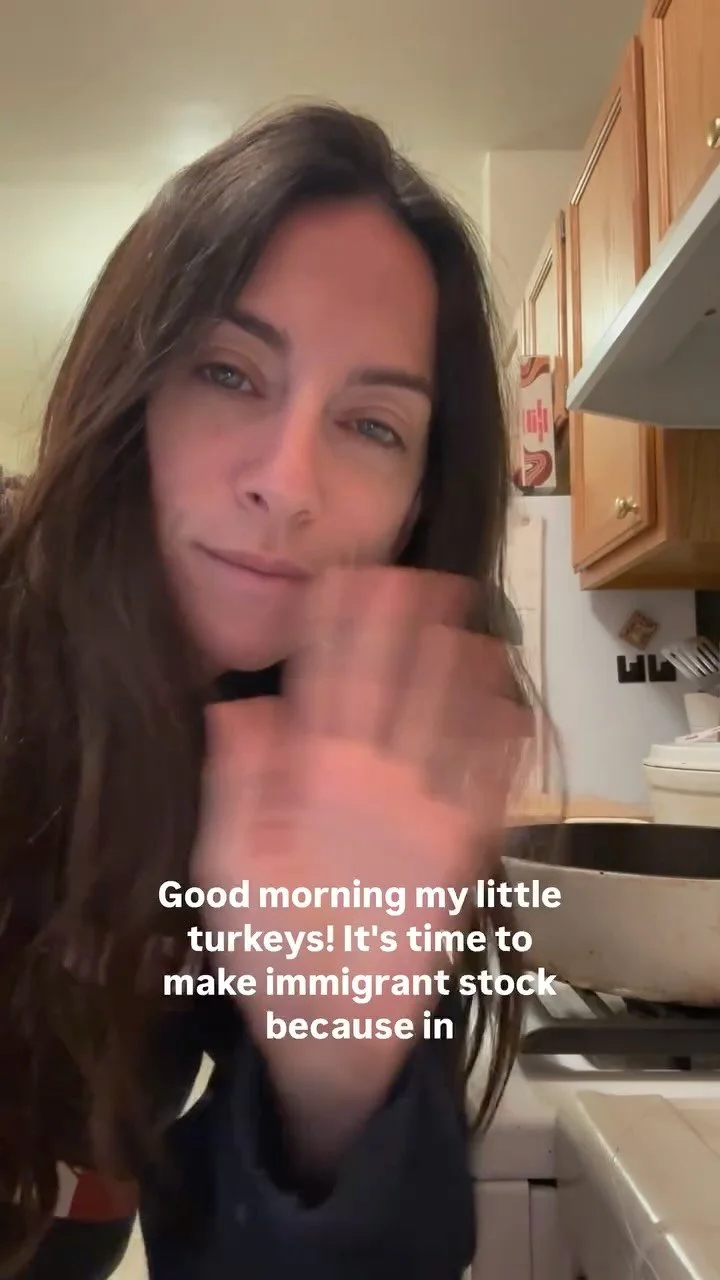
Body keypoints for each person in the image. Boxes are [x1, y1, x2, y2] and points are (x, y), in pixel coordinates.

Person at [0, 103, 536, 1279]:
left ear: (418, 499)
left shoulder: (357, 761)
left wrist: (332, 1078)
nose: (288, 483)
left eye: (372, 425)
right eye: (228, 371)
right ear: (132, 387)